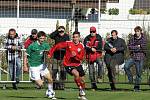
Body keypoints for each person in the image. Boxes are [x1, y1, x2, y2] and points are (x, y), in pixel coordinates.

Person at [48, 31, 87, 100]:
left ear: (79, 37)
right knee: (76, 74)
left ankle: (81, 95)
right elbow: (57, 46)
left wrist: (76, 55)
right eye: (74, 37)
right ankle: (80, 89)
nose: (75, 38)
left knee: (83, 80)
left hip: (77, 64)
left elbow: (81, 58)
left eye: (76, 37)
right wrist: (50, 53)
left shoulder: (81, 46)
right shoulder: (68, 43)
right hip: (68, 64)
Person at [26, 31, 56, 99]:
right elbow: (26, 55)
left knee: (50, 79)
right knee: (40, 84)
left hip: (41, 65)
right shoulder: (32, 46)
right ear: (38, 38)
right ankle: (34, 79)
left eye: (43, 38)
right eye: (41, 38)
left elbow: (49, 52)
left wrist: (49, 55)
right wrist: (25, 66)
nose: (42, 40)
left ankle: (50, 92)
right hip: (34, 66)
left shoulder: (45, 45)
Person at [124, 26, 146, 92]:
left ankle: (136, 88)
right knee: (126, 66)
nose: (137, 33)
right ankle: (130, 78)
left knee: (139, 74)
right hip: (133, 57)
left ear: (140, 31)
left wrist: (136, 47)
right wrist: (138, 47)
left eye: (138, 31)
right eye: (136, 31)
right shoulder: (132, 38)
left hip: (140, 57)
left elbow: (143, 47)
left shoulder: (144, 38)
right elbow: (130, 47)